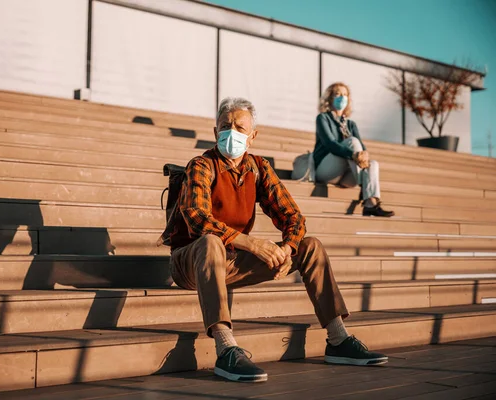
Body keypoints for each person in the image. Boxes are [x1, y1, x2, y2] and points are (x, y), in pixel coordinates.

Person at [159, 97, 387, 383]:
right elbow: (196, 218)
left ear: (252, 136)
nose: (232, 132)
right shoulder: (202, 165)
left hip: (230, 262)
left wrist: (286, 248)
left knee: (310, 246)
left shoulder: (258, 167)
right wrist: (253, 244)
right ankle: (226, 348)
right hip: (190, 262)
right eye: (225, 126)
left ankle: (338, 338)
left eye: (240, 127)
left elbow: (294, 217)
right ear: (215, 131)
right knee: (210, 241)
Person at [313, 83, 394, 217]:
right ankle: (367, 191)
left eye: (345, 95)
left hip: (347, 176)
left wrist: (362, 155)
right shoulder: (323, 118)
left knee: (373, 163)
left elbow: (362, 149)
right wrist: (353, 154)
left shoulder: (351, 124)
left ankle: (370, 204)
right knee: (352, 142)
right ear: (330, 98)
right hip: (326, 171)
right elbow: (330, 144)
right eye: (338, 94)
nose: (342, 98)